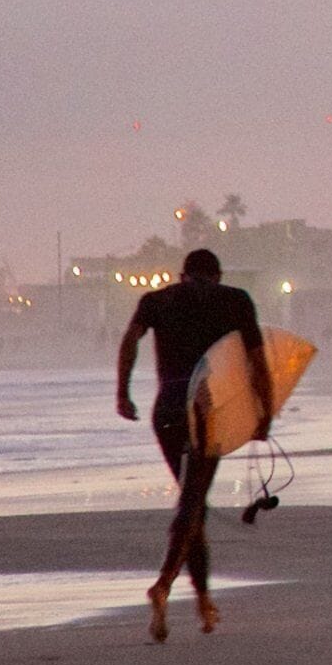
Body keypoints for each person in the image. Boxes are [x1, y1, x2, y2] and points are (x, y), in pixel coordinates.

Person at [111, 248, 273, 642]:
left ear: (182, 275)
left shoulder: (157, 300)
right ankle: (163, 584)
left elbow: (129, 340)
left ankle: (202, 600)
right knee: (193, 501)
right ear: (216, 275)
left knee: (193, 500)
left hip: (166, 406)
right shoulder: (234, 299)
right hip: (205, 406)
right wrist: (264, 412)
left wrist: (122, 392)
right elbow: (256, 360)